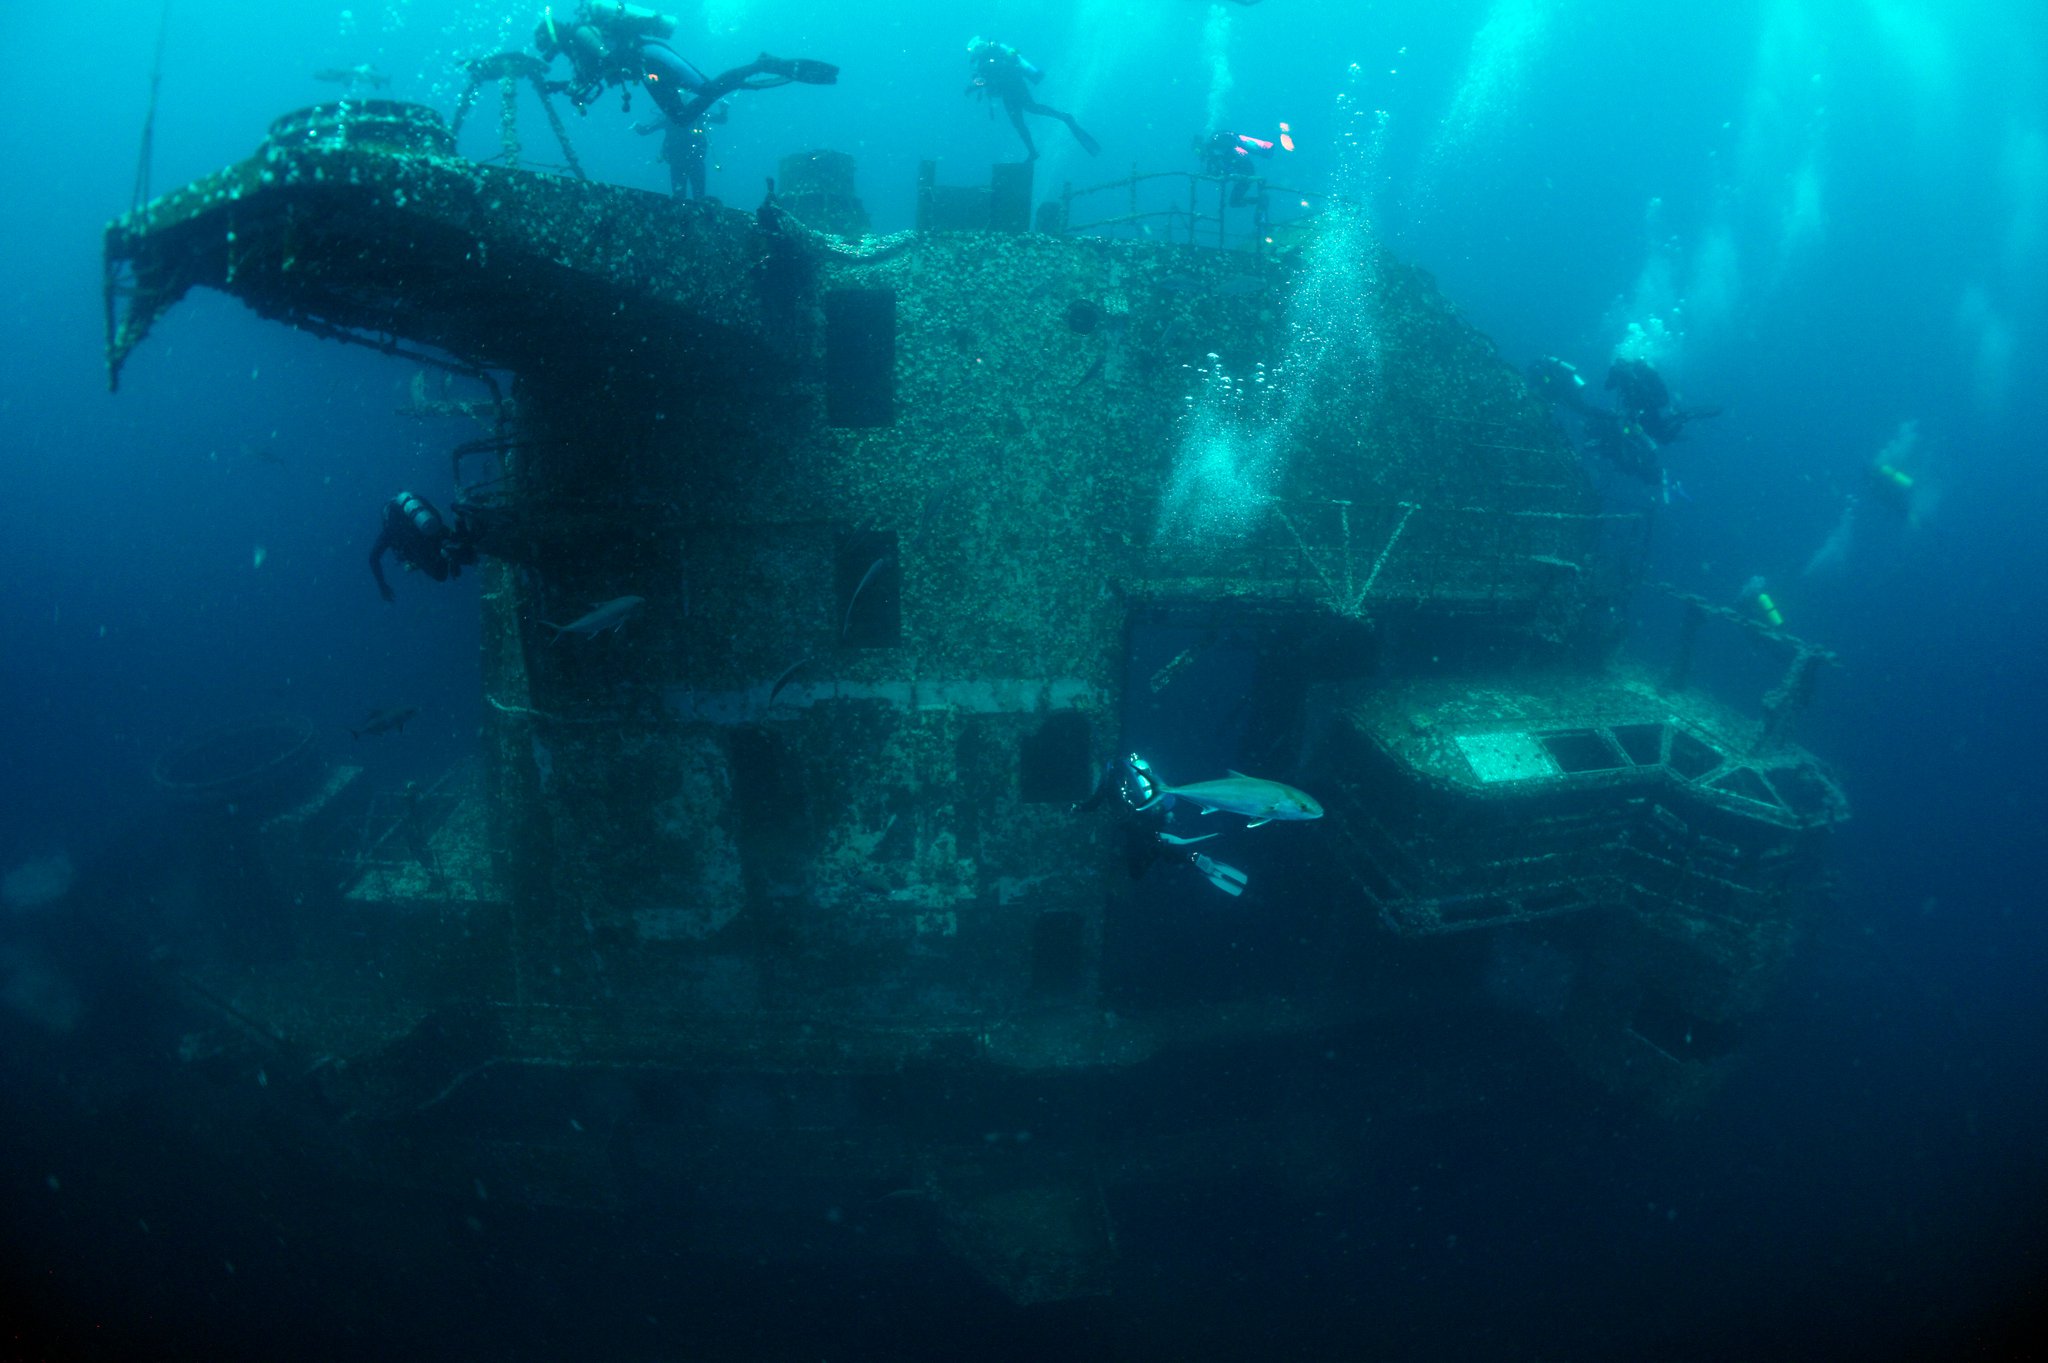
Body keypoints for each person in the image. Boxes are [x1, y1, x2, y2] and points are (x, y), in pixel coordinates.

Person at [533, 3, 836, 139]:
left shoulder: (582, 33)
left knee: (705, 89)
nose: (553, 54)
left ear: (553, 36)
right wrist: (560, 86)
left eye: (550, 48)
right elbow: (594, 76)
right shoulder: (578, 44)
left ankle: (762, 64)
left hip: (652, 56)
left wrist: (574, 84)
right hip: (645, 70)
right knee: (680, 117)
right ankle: (748, 73)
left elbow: (607, 62)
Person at [965, 37, 1100, 161]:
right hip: (1008, 91)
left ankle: (1064, 118)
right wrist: (974, 86)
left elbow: (996, 75)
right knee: (1018, 122)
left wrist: (977, 85)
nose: (974, 55)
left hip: (1015, 86)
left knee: (1031, 109)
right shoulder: (984, 60)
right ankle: (1033, 151)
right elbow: (984, 80)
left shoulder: (994, 54)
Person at [368, 491, 479, 603]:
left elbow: (373, 558)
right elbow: (436, 514)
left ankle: (447, 553)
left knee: (440, 574)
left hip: (421, 545)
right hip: (434, 530)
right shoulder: (415, 508)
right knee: (469, 553)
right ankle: (459, 517)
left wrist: (382, 585)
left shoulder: (389, 529)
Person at [1198, 129, 1279, 206]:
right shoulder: (1215, 149)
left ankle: (1261, 199)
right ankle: (1260, 199)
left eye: (1198, 150)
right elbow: (1222, 166)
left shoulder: (1217, 147)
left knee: (1234, 202)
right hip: (1243, 169)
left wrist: (1222, 172)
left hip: (1244, 170)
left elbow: (1225, 165)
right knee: (1234, 201)